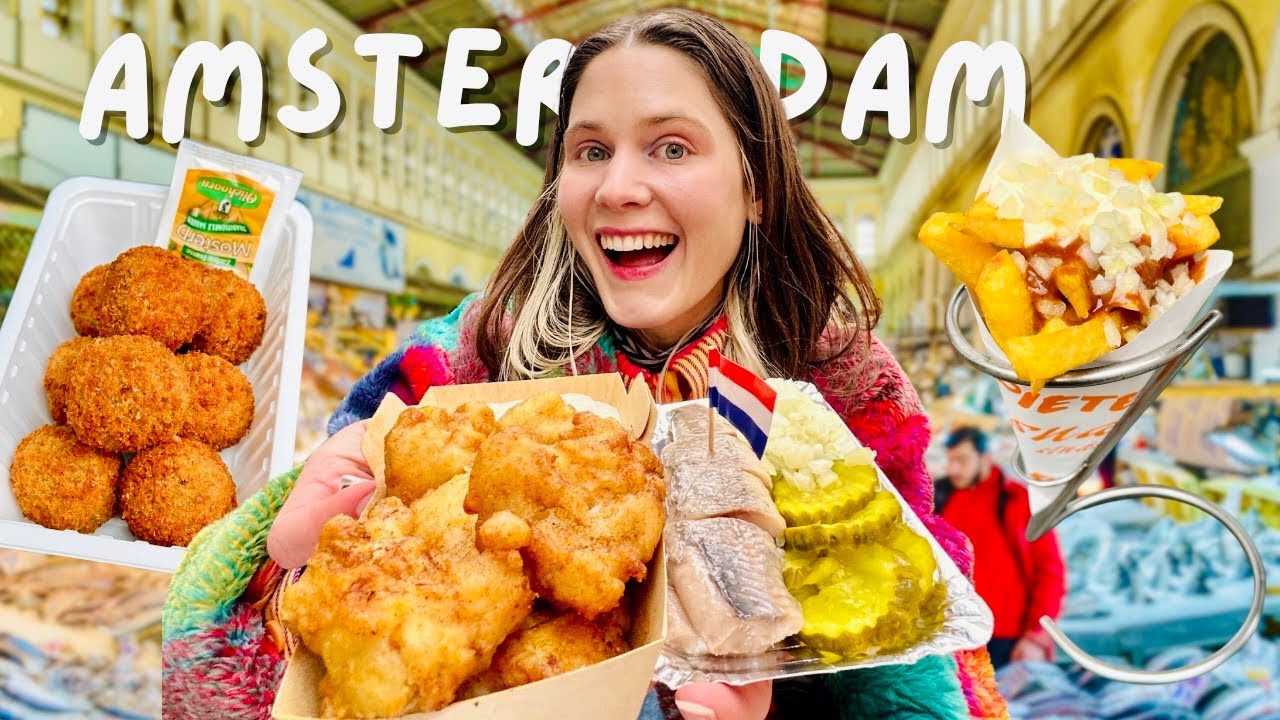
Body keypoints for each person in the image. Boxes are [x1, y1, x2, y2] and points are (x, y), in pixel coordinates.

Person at [162, 9, 1009, 719]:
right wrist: (295, 565)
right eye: (590, 150)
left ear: (755, 186)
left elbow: (912, 658)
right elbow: (276, 651)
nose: (617, 188)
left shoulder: (845, 391)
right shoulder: (453, 366)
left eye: (672, 148)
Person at [934, 427, 1067, 670]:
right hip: (953, 637)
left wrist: (1036, 635)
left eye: (962, 460)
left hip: (1007, 638)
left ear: (985, 458)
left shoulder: (1017, 500)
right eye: (951, 460)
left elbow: (1050, 571)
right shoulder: (939, 497)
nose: (953, 468)